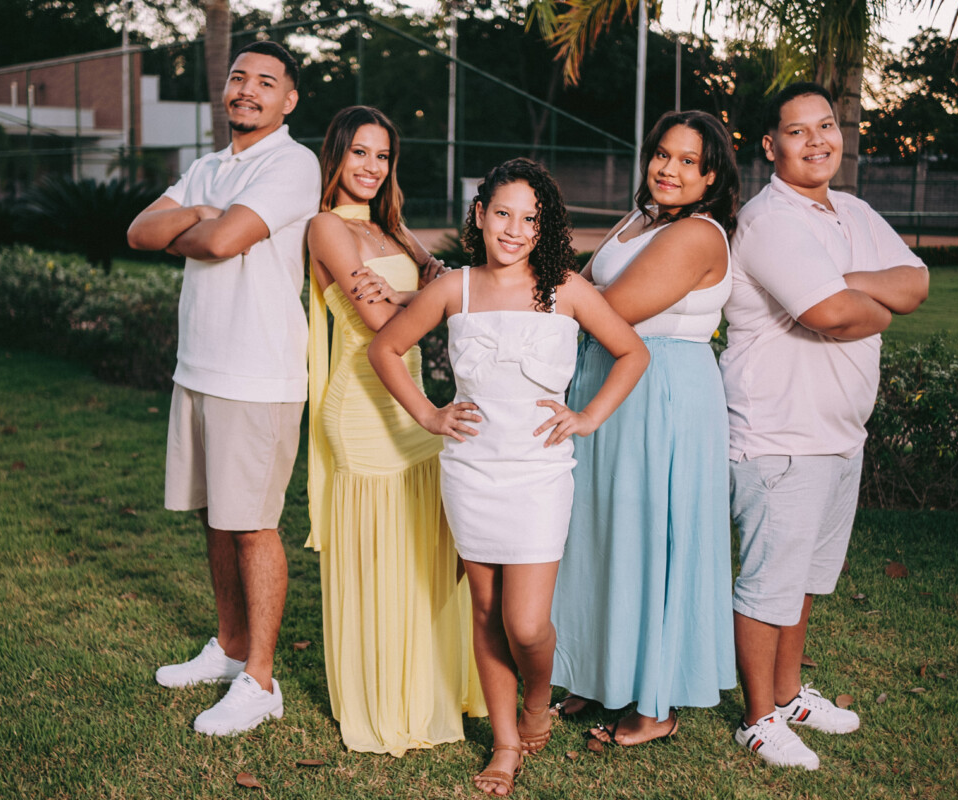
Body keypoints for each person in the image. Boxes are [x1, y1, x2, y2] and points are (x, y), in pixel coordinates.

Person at [368, 158, 648, 796]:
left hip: (540, 473)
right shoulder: (455, 288)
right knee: (487, 610)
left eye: (530, 219)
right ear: (480, 214)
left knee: (525, 623)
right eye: (503, 214)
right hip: (471, 471)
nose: (514, 230)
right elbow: (384, 348)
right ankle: (503, 744)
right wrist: (430, 415)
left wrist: (587, 417)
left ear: (543, 227)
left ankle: (538, 697)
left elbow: (633, 352)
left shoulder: (565, 289)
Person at [721, 82, 928, 770]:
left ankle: (788, 695)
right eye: (798, 130)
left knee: (805, 577)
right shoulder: (768, 219)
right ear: (770, 145)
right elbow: (832, 315)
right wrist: (864, 297)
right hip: (781, 434)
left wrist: (843, 279)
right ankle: (757, 719)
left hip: (840, 434)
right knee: (769, 584)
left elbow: (917, 284)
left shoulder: (854, 211)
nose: (817, 140)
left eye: (827, 126)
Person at [125, 41, 321, 736]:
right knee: (214, 517)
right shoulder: (208, 166)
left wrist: (195, 223)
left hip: (257, 374)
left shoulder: (293, 163)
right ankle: (230, 647)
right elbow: (139, 232)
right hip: (199, 369)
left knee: (253, 526)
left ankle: (260, 681)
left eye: (266, 81)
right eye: (239, 77)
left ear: (288, 100)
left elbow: (219, 242)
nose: (247, 89)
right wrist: (201, 216)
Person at [547, 110, 739, 745]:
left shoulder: (697, 234)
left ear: (711, 177)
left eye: (688, 161)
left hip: (661, 393)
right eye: (662, 154)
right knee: (600, 530)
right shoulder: (640, 218)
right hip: (608, 381)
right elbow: (579, 289)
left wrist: (498, 294)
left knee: (648, 535)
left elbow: (608, 308)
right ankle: (597, 672)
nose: (669, 169)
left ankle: (655, 703)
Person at [303, 105, 484, 756]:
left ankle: (431, 684)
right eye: (360, 152)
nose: (372, 167)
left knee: (425, 555)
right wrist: (425, 298)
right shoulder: (327, 226)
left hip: (412, 403)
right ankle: (384, 698)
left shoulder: (393, 229)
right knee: (381, 562)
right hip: (363, 408)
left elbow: (442, 286)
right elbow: (381, 320)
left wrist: (413, 295)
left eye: (383, 156)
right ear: (336, 155)